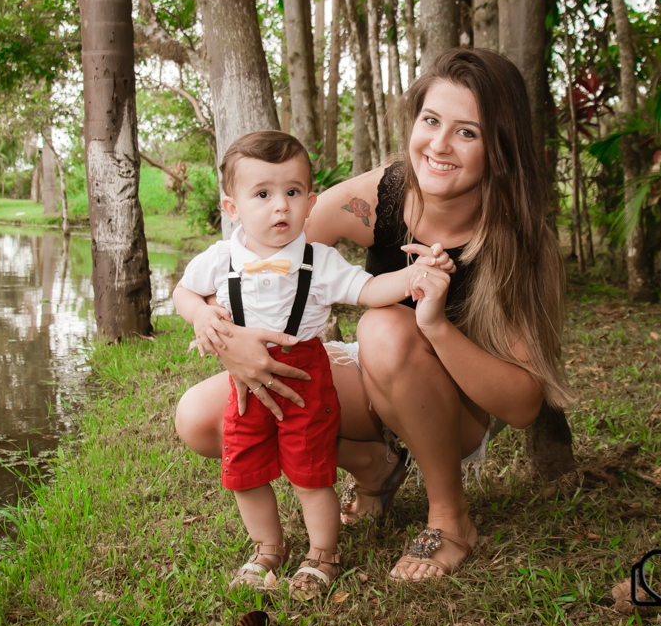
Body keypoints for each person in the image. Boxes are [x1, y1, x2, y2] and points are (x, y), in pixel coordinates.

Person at [175, 48, 574, 581]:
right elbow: (258, 256)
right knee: (202, 420)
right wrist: (231, 341)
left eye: (468, 133)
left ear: (499, 147)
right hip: (371, 379)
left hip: (456, 410)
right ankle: (374, 466)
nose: (439, 144)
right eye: (431, 121)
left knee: (383, 327)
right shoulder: (380, 196)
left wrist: (434, 323)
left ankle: (451, 519)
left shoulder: (516, 239)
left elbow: (524, 406)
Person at [172, 130, 452, 597]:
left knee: (310, 468)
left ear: (310, 202)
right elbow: (183, 291)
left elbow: (367, 290)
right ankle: (266, 547)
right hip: (244, 383)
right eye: (262, 194)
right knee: (245, 468)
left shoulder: (317, 261)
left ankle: (323, 552)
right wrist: (201, 313)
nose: (280, 206)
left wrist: (412, 276)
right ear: (232, 208)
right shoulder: (221, 259)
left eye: (292, 192)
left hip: (304, 375)